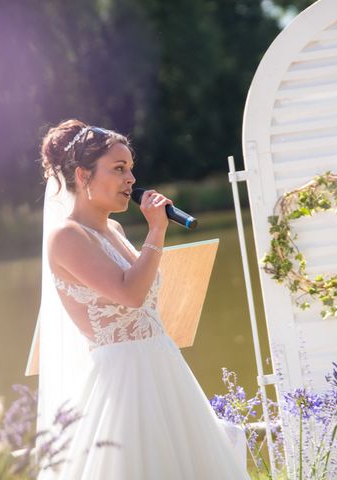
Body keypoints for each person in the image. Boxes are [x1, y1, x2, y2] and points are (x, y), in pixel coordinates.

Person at [35, 119, 250, 479]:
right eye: (119, 169)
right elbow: (130, 294)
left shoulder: (115, 230)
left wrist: (154, 235)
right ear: (84, 175)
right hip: (123, 382)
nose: (131, 180)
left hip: (163, 366)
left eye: (131, 169)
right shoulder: (66, 237)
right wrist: (157, 229)